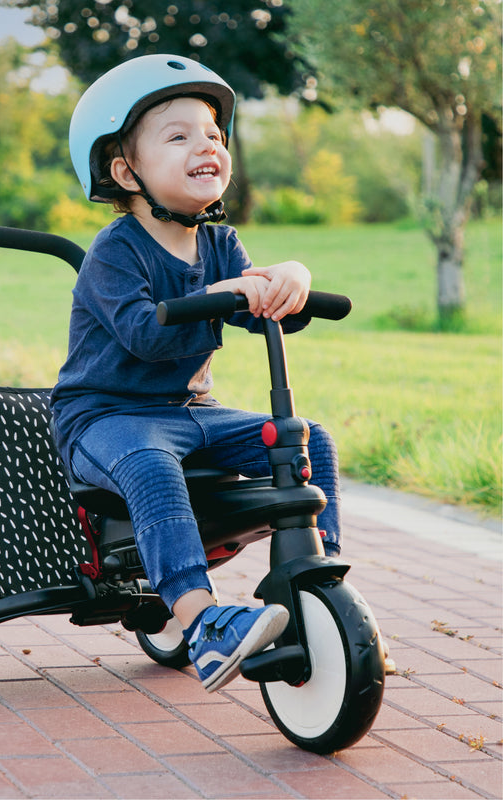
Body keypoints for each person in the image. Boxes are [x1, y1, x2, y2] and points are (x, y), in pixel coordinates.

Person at [50, 55, 341, 693]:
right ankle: (201, 621)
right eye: (177, 136)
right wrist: (232, 291)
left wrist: (290, 277)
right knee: (151, 465)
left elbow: (269, 309)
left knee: (306, 438)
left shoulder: (220, 243)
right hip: (106, 417)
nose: (205, 144)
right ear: (126, 171)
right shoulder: (115, 251)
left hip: (192, 414)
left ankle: (323, 597)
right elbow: (146, 336)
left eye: (212, 133)